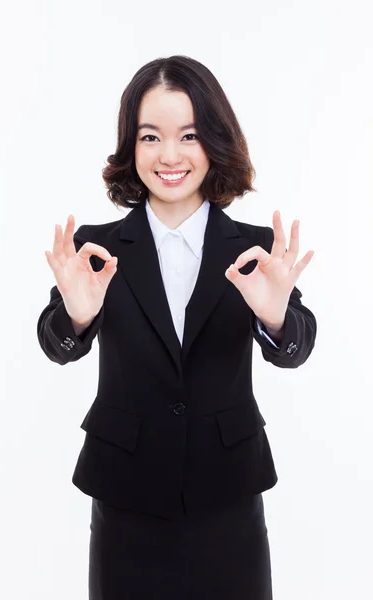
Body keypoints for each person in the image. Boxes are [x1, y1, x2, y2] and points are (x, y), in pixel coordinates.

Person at [37, 55, 317, 600]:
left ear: (215, 140)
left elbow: (297, 344)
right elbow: (56, 342)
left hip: (228, 494)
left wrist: (274, 315)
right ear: (130, 146)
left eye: (189, 135)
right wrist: (76, 314)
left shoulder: (257, 248)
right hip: (126, 495)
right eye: (150, 137)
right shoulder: (95, 247)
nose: (169, 156)